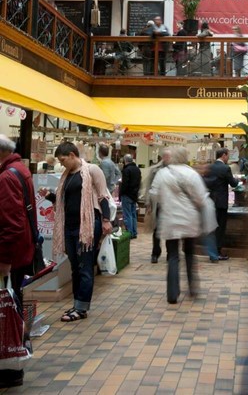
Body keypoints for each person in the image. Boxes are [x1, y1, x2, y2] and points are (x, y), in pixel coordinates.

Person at [39, 141, 112, 322]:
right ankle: (77, 304)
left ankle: (81, 308)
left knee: (85, 267)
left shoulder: (92, 170)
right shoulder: (66, 175)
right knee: (74, 267)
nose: (61, 164)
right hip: (69, 226)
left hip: (87, 225)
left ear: (72, 155)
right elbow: (64, 202)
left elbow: (103, 195)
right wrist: (49, 196)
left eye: (63, 160)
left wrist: (106, 220)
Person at [149, 145, 210, 303]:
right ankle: (192, 287)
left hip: (170, 219)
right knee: (189, 253)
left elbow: (153, 193)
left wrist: (165, 200)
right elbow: (201, 197)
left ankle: (172, 293)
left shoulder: (163, 173)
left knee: (173, 256)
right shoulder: (192, 174)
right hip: (189, 219)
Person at [0, 135, 38, 389]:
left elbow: (10, 224)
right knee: (14, 307)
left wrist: (4, 259)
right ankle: (16, 362)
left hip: (10, 257)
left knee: (7, 310)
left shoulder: (5, 177)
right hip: (23, 252)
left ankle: (10, 370)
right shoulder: (20, 170)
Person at [203, 148, 238, 260]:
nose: (228, 158)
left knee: (212, 227)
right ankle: (218, 251)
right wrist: (237, 180)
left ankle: (212, 251)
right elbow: (233, 184)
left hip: (211, 200)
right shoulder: (225, 168)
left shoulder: (210, 167)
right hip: (222, 202)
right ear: (223, 155)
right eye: (228, 156)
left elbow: (205, 182)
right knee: (220, 227)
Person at [145, 148, 172, 263]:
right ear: (162, 157)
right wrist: (148, 204)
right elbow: (148, 187)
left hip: (171, 205)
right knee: (156, 229)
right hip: (158, 204)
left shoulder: (175, 170)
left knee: (170, 230)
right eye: (166, 156)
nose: (168, 159)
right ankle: (155, 253)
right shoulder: (155, 170)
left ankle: (170, 253)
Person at [119, 154, 142, 239]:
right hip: (134, 195)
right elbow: (139, 182)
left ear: (125, 160)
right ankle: (134, 232)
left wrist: (121, 193)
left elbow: (125, 184)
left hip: (127, 195)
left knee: (127, 215)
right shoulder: (137, 169)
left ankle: (129, 233)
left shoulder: (126, 170)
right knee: (133, 215)